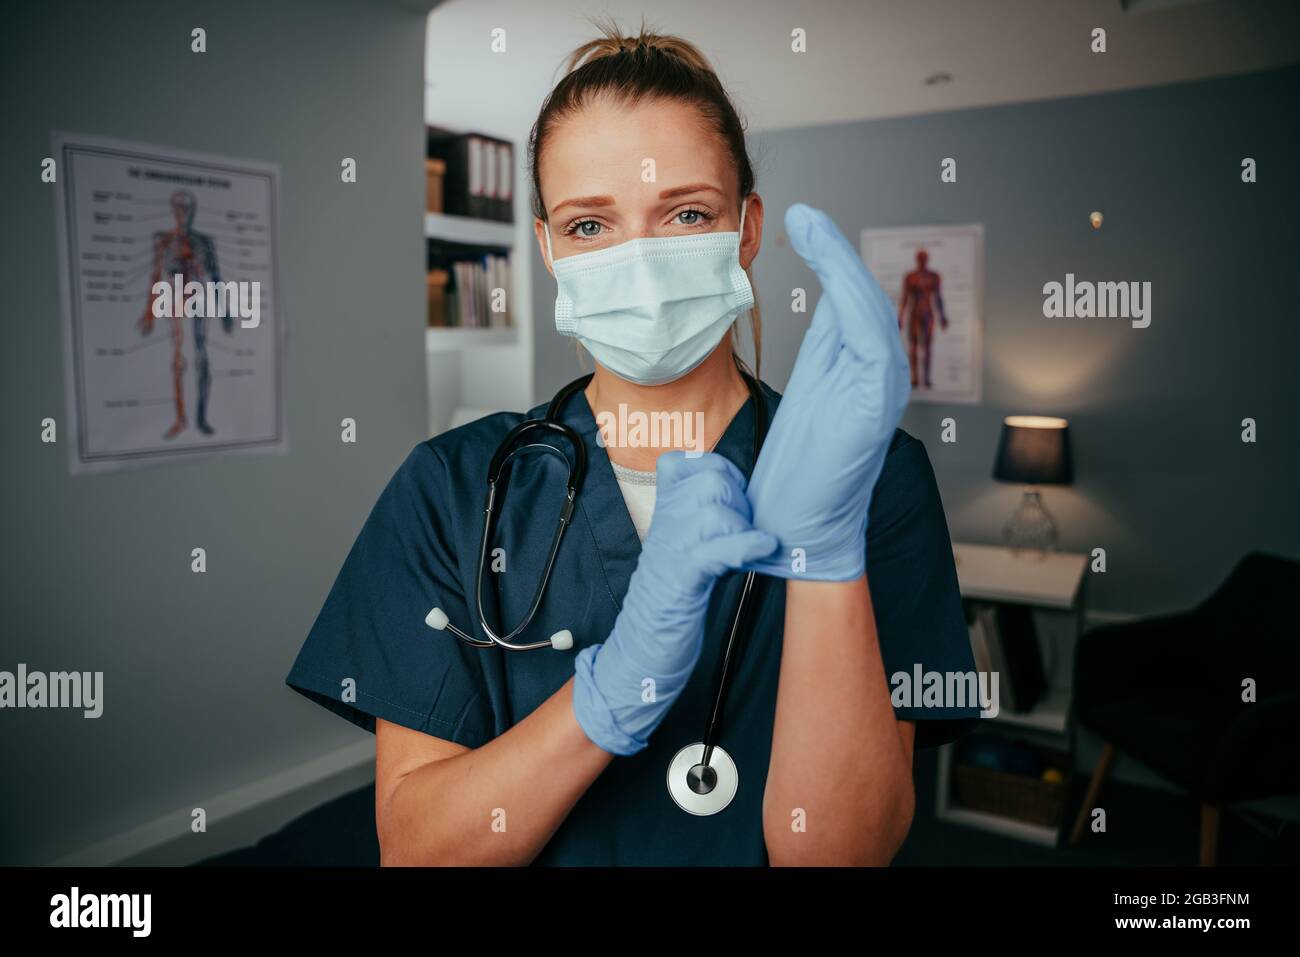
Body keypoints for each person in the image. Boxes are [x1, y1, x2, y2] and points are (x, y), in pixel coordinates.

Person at [286, 22, 977, 866]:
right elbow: (417, 852)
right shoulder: (454, 487)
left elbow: (841, 854)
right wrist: (605, 696)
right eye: (588, 227)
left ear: (746, 230)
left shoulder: (876, 476)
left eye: (687, 212)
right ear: (545, 249)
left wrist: (825, 556)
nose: (641, 263)